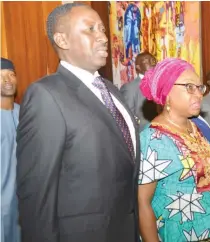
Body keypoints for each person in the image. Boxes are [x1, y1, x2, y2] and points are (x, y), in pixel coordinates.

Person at [16, 3, 140, 242]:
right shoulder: (46, 95)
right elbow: (37, 195)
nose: (103, 37)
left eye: (103, 29)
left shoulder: (112, 91)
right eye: (91, 29)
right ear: (62, 40)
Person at [137, 58, 210, 241]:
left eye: (200, 88)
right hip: (175, 234)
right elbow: (142, 203)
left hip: (208, 229)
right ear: (166, 92)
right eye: (189, 87)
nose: (198, 94)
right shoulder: (153, 140)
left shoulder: (194, 127)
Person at [1, 58, 21, 242]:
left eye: (11, 74)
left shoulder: (26, 113)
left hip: (24, 206)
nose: (7, 80)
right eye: (1, 76)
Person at [121, 52, 159, 131]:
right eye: (147, 61)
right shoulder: (130, 88)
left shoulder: (161, 85)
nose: (152, 63)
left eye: (153, 60)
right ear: (138, 67)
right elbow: (127, 119)